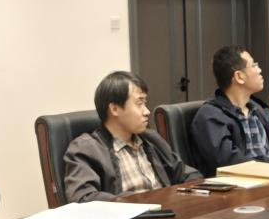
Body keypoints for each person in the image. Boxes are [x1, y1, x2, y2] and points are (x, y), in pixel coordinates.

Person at [63, 71, 201, 202]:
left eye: (145, 103)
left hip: (169, 212)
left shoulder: (151, 139)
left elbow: (186, 174)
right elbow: (83, 197)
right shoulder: (86, 148)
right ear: (114, 109)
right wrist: (139, 200)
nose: (147, 111)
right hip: (127, 217)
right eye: (139, 103)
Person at [190, 46, 269, 177]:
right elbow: (230, 163)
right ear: (239, 76)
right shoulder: (210, 117)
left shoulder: (259, 110)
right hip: (239, 184)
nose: (259, 70)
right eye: (253, 66)